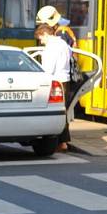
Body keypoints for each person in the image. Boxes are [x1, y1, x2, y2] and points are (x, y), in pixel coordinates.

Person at [35, 23, 72, 151]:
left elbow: (48, 69)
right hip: (65, 79)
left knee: (56, 112)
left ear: (45, 34)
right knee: (62, 111)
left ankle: (62, 142)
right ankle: (62, 142)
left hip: (55, 81)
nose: (41, 42)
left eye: (41, 38)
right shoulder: (63, 44)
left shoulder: (51, 47)